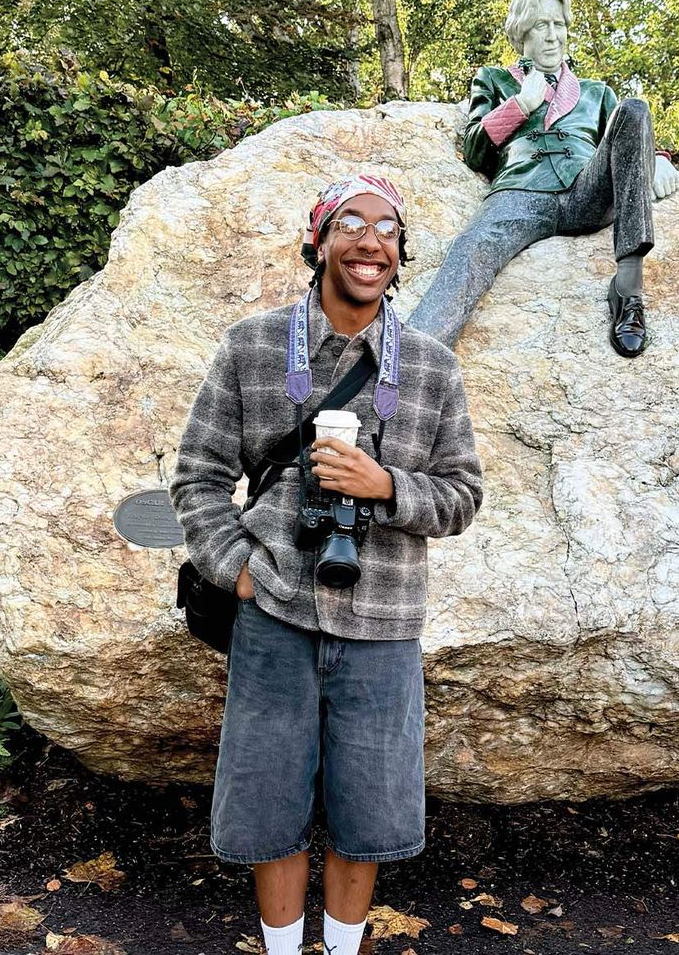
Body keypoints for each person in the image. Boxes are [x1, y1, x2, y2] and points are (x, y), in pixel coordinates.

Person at [169, 174, 483, 955]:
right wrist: (239, 569)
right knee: (269, 806)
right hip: (273, 612)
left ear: (401, 257)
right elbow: (198, 475)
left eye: (387, 230)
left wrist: (387, 487)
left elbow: (463, 495)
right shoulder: (253, 345)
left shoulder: (433, 368)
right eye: (350, 224)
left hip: (384, 623)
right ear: (318, 242)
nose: (369, 241)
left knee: (367, 813)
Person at [408, 0, 679, 355]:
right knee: (471, 248)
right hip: (520, 191)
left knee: (635, 107)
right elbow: (475, 150)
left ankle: (628, 289)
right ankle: (413, 356)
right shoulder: (493, 79)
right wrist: (520, 104)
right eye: (541, 26)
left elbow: (625, 139)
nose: (553, 37)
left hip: (587, 192)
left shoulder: (596, 92)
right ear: (522, 32)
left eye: (559, 25)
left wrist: (657, 159)